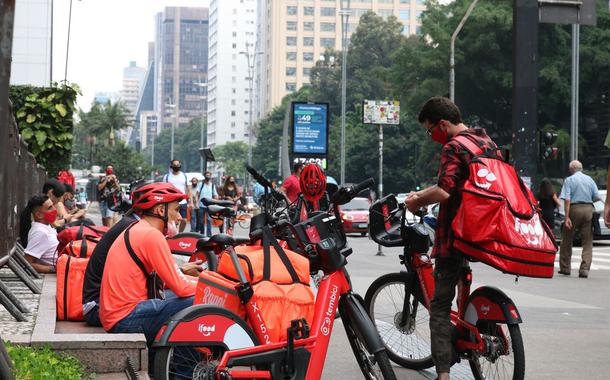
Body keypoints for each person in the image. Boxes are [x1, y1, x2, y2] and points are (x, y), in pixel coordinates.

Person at [404, 97, 498, 380]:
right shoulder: (486, 142)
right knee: (460, 282)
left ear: (442, 125)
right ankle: (468, 325)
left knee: (440, 308)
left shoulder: (453, 146)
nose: (431, 135)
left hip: (457, 234)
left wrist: (417, 200)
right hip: (484, 231)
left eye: (430, 130)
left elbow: (445, 191)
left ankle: (443, 375)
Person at [83, 183, 202, 327]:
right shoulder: (151, 235)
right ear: (160, 210)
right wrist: (213, 288)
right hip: (124, 317)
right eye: (177, 210)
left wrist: (201, 281)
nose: (180, 217)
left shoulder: (137, 228)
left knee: (193, 296)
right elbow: (181, 288)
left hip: (114, 313)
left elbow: (167, 280)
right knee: (201, 299)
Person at [557, 160, 601, 278]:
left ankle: (565, 268)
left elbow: (567, 199)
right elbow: (596, 197)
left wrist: (567, 217)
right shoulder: (589, 179)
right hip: (588, 209)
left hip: (574, 209)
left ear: (572, 169)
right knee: (587, 241)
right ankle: (584, 269)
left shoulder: (569, 180)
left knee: (567, 239)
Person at [19, 195, 58, 273]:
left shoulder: (46, 227)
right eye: (50, 208)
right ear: (39, 215)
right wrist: (54, 269)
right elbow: (27, 263)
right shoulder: (40, 232)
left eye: (53, 205)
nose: (54, 209)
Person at [162, 159, 193, 232]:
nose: (176, 166)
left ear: (180, 166)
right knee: (171, 220)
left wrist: (191, 202)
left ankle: (180, 233)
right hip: (171, 202)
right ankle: (173, 234)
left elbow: (189, 190)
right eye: (174, 165)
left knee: (184, 220)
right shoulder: (167, 177)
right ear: (171, 166)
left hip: (182, 201)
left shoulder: (185, 176)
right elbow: (163, 189)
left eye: (177, 165)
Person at [198, 171, 218, 237]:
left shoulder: (212, 185)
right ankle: (202, 234)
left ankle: (209, 235)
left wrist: (216, 202)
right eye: (207, 175)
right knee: (201, 221)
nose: (208, 176)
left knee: (209, 220)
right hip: (201, 205)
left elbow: (215, 195)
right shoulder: (201, 184)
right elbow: (197, 194)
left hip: (210, 206)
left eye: (209, 175)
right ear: (204, 176)